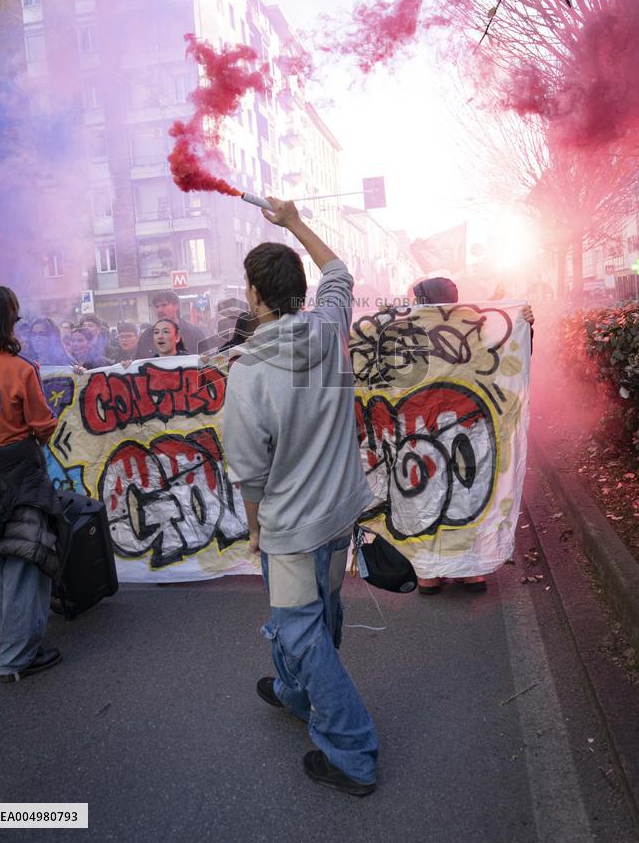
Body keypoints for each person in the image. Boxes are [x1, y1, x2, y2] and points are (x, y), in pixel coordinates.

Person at [223, 197, 378, 796]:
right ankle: (293, 694)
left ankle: (353, 752)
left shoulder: (250, 369)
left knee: (301, 630)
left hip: (290, 527)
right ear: (297, 290)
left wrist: (255, 527)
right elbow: (338, 273)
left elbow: (249, 468)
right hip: (340, 513)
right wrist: (292, 222)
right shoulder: (329, 330)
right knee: (322, 610)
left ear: (257, 296)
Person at [410, 276, 534, 594]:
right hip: (438, 427)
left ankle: (461, 569)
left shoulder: (470, 330)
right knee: (438, 494)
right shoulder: (410, 330)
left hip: (460, 427)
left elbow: (508, 356)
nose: (413, 303)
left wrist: (524, 325)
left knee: (459, 494)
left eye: (418, 298)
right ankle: (432, 570)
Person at [0, 285, 63, 682]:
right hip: (18, 478)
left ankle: (14, 648)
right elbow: (43, 427)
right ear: (6, 320)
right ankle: (16, 658)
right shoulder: (20, 368)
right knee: (25, 563)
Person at [134, 291, 201, 359]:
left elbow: (207, 362)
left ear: (176, 306)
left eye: (164, 305)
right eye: (157, 307)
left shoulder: (195, 333)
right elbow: (138, 363)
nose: (159, 310)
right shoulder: (146, 336)